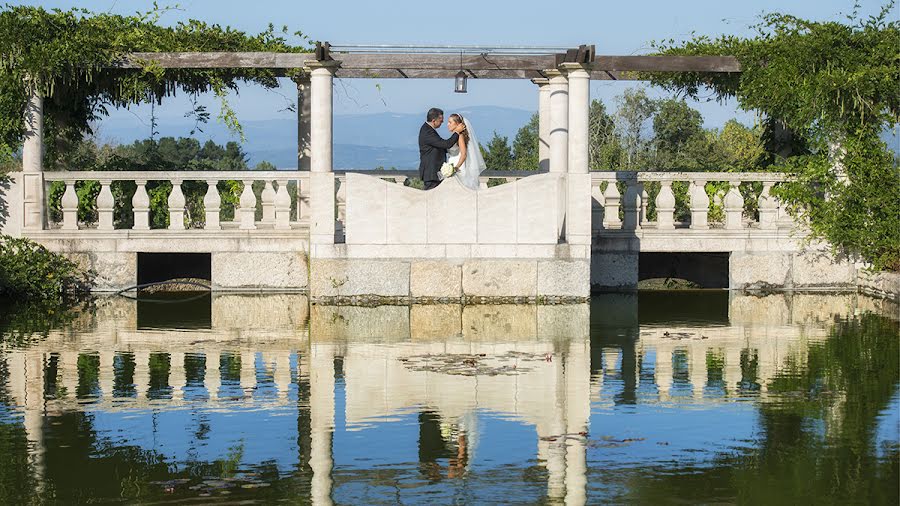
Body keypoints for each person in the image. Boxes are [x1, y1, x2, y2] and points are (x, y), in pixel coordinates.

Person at [418, 107, 463, 190]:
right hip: (431, 173)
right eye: (441, 120)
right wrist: (457, 132)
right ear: (434, 121)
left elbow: (440, 147)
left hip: (434, 174)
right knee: (430, 200)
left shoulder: (428, 130)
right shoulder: (427, 132)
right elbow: (446, 144)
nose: (442, 123)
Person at [446, 113, 487, 191]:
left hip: (458, 166)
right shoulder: (455, 135)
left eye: (450, 122)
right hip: (452, 164)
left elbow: (464, 154)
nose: (448, 124)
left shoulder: (460, 136)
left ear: (458, 124)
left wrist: (455, 168)